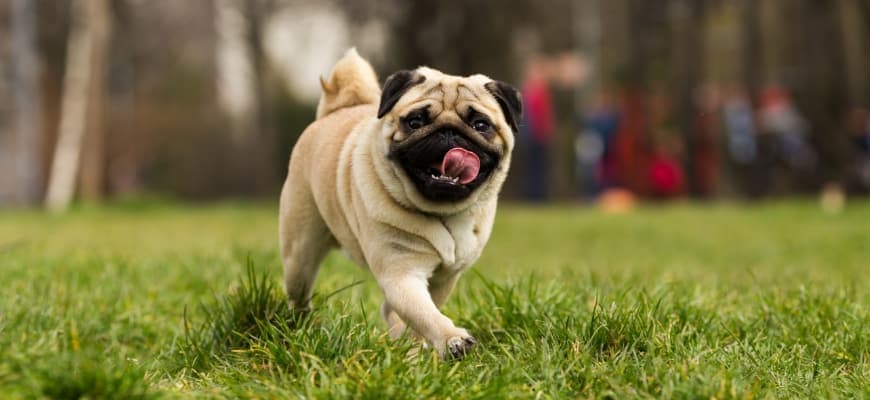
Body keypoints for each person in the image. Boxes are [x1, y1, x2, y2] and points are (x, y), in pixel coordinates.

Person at [520, 56, 555, 202]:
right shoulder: (531, 90)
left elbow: (545, 115)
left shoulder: (540, 90)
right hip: (534, 135)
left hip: (539, 135)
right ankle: (534, 196)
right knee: (534, 168)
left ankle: (539, 196)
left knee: (540, 168)